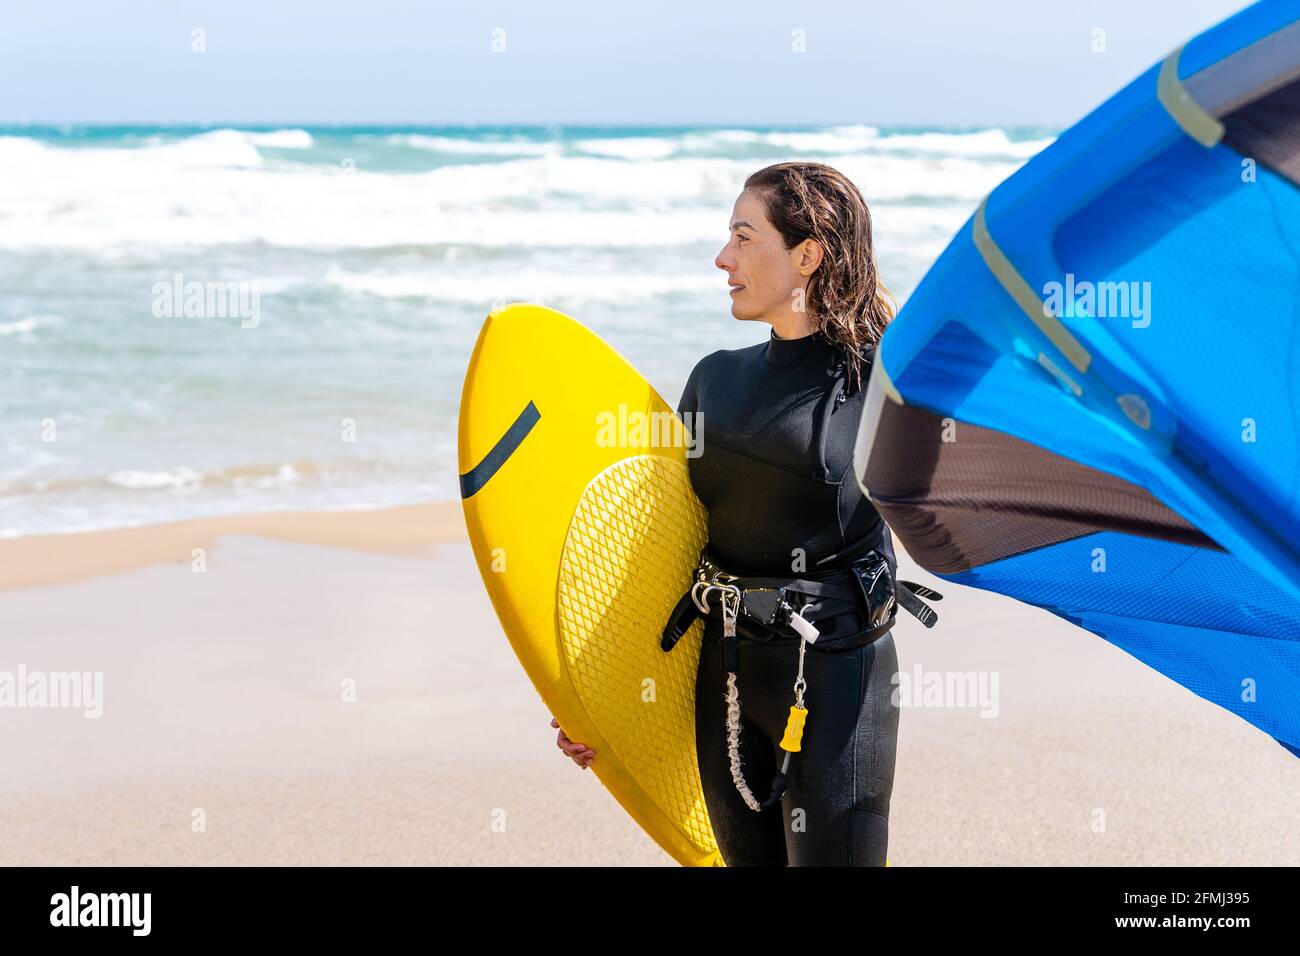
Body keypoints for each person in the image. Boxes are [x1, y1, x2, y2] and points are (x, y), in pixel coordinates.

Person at [557, 161, 902, 867]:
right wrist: (591, 695)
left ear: (807, 254)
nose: (724, 258)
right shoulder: (715, 379)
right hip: (726, 674)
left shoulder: (882, 387)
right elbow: (659, 554)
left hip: (834, 676)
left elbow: (961, 508)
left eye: (745, 237)